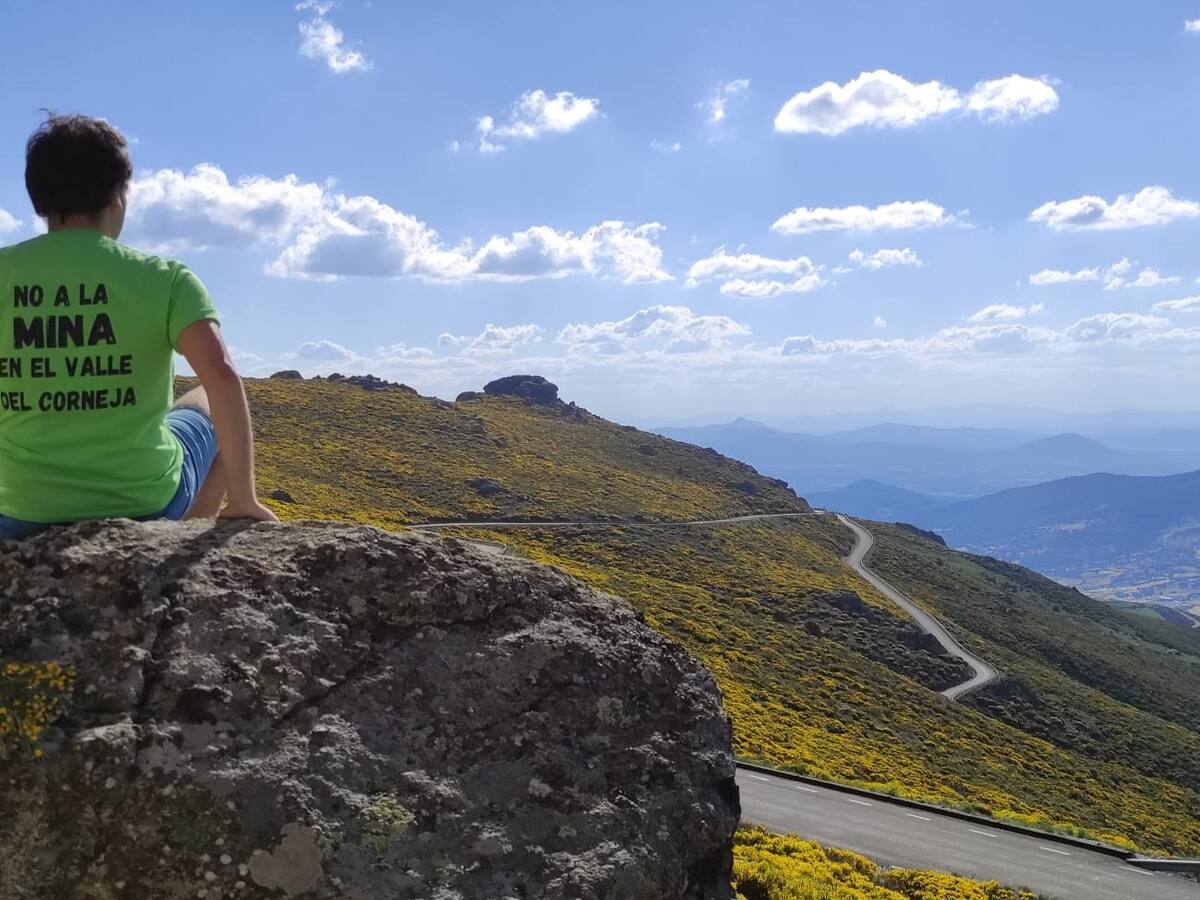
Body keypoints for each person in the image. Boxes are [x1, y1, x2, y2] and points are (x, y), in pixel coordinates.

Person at [0, 113, 277, 540]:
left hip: (19, 509)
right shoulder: (165, 279)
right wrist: (245, 500)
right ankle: (188, 535)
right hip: (145, 503)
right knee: (206, 397)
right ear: (118, 196)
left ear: (39, 202)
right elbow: (221, 373)